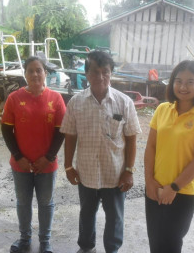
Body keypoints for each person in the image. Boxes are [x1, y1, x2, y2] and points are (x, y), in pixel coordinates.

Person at [60, 50, 141, 253]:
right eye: (95, 72)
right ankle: (86, 247)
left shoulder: (124, 103)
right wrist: (68, 166)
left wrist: (129, 171)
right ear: (86, 74)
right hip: (85, 173)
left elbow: (131, 139)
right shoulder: (76, 103)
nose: (100, 77)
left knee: (115, 216)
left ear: (111, 73)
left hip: (114, 173)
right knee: (86, 213)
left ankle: (112, 249)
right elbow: (70, 136)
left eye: (105, 71)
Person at [144, 60, 194, 253]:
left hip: (182, 192)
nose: (183, 87)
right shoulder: (162, 109)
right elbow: (151, 146)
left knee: (171, 243)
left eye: (190, 82)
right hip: (155, 188)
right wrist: (149, 181)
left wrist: (174, 187)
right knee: (155, 241)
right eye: (178, 81)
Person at [1, 57, 66, 253]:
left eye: (39, 70)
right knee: (23, 203)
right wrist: (18, 156)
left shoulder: (56, 98)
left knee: (46, 203)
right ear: (25, 74)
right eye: (31, 71)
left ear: (46, 73)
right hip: (21, 164)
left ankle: (45, 242)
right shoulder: (14, 98)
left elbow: (61, 131)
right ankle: (25, 239)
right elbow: (6, 130)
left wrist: (49, 157)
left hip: (47, 164)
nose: (35, 74)